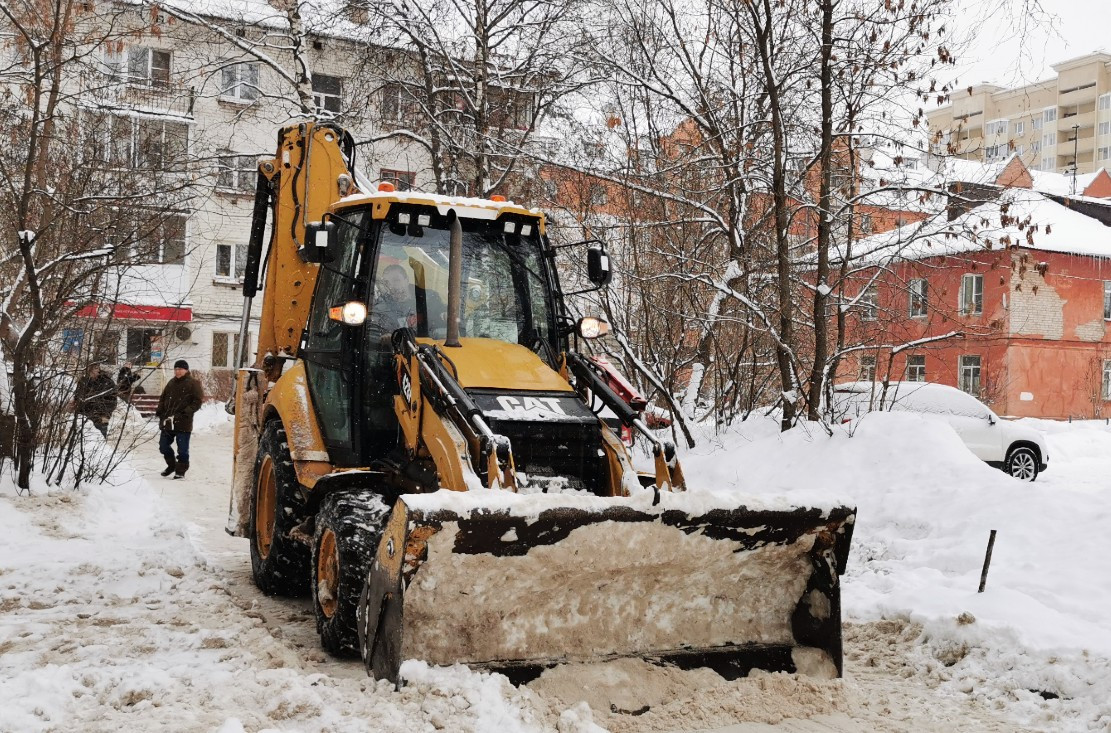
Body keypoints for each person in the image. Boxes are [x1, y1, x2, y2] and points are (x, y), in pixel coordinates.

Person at [155, 359, 203, 479]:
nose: (177, 371)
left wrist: (186, 412)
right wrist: (160, 411)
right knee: (163, 446)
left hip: (183, 422)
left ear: (186, 370)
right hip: (168, 421)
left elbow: (197, 402)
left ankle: (180, 470)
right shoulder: (171, 382)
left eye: (180, 369)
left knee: (182, 450)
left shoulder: (193, 383)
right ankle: (171, 466)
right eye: (176, 369)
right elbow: (163, 398)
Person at [74, 362, 117, 437]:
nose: (95, 370)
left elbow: (112, 401)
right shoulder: (83, 381)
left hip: (100, 418)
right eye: (91, 369)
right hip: (84, 418)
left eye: (96, 368)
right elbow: (77, 396)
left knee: (100, 441)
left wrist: (105, 415)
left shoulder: (107, 382)